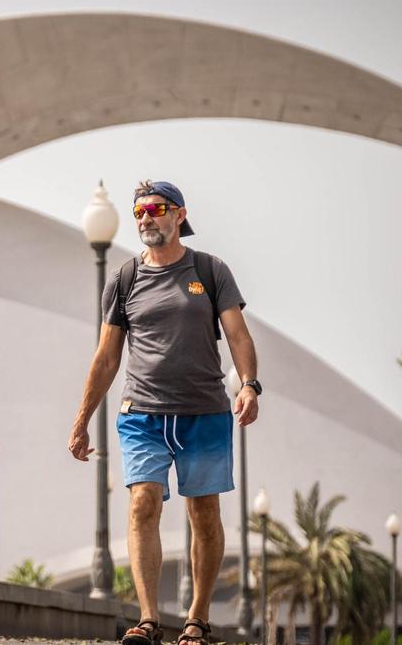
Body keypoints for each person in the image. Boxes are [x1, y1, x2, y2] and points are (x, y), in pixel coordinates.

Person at [68, 180, 260, 645]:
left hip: (204, 411)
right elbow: (106, 357)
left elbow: (237, 335)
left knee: (205, 514)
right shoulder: (125, 279)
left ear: (179, 215)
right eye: (139, 212)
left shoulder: (210, 271)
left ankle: (196, 619)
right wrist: (81, 420)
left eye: (155, 209)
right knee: (142, 504)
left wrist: (250, 385)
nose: (145, 218)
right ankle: (149, 618)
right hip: (143, 413)